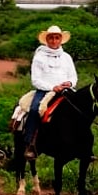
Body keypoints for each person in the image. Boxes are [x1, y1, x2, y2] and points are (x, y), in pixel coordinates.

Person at [23, 25, 78, 160]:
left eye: (57, 38)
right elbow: (35, 80)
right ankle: (30, 143)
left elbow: (73, 76)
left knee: (80, 109)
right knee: (35, 109)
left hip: (65, 91)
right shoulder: (39, 57)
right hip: (45, 90)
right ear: (47, 40)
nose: (54, 40)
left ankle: (82, 144)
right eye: (51, 38)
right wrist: (53, 87)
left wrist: (69, 83)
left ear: (61, 40)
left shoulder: (66, 57)